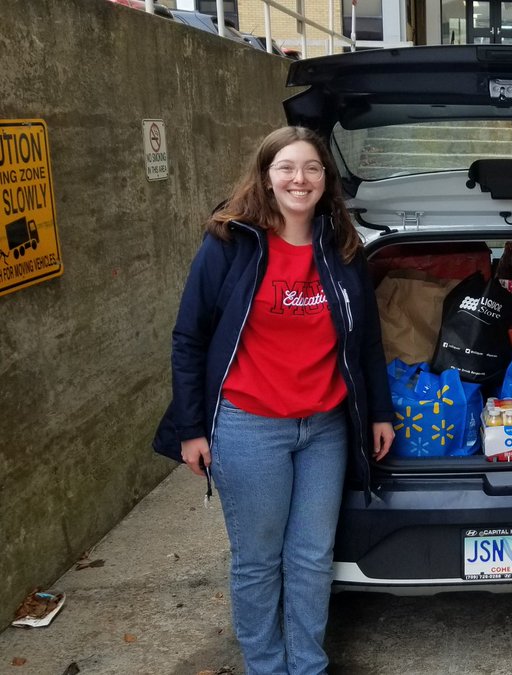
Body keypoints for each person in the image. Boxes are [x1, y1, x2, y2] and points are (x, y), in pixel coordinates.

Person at [153, 126, 395, 675]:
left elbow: (367, 341)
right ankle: (266, 666)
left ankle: (307, 665)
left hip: (325, 428)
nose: (299, 178)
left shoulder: (343, 248)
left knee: (311, 559)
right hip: (248, 426)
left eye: (311, 168)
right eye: (286, 167)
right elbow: (189, 338)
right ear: (265, 175)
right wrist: (191, 429)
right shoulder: (229, 243)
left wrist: (379, 411)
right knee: (258, 561)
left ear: (325, 179)